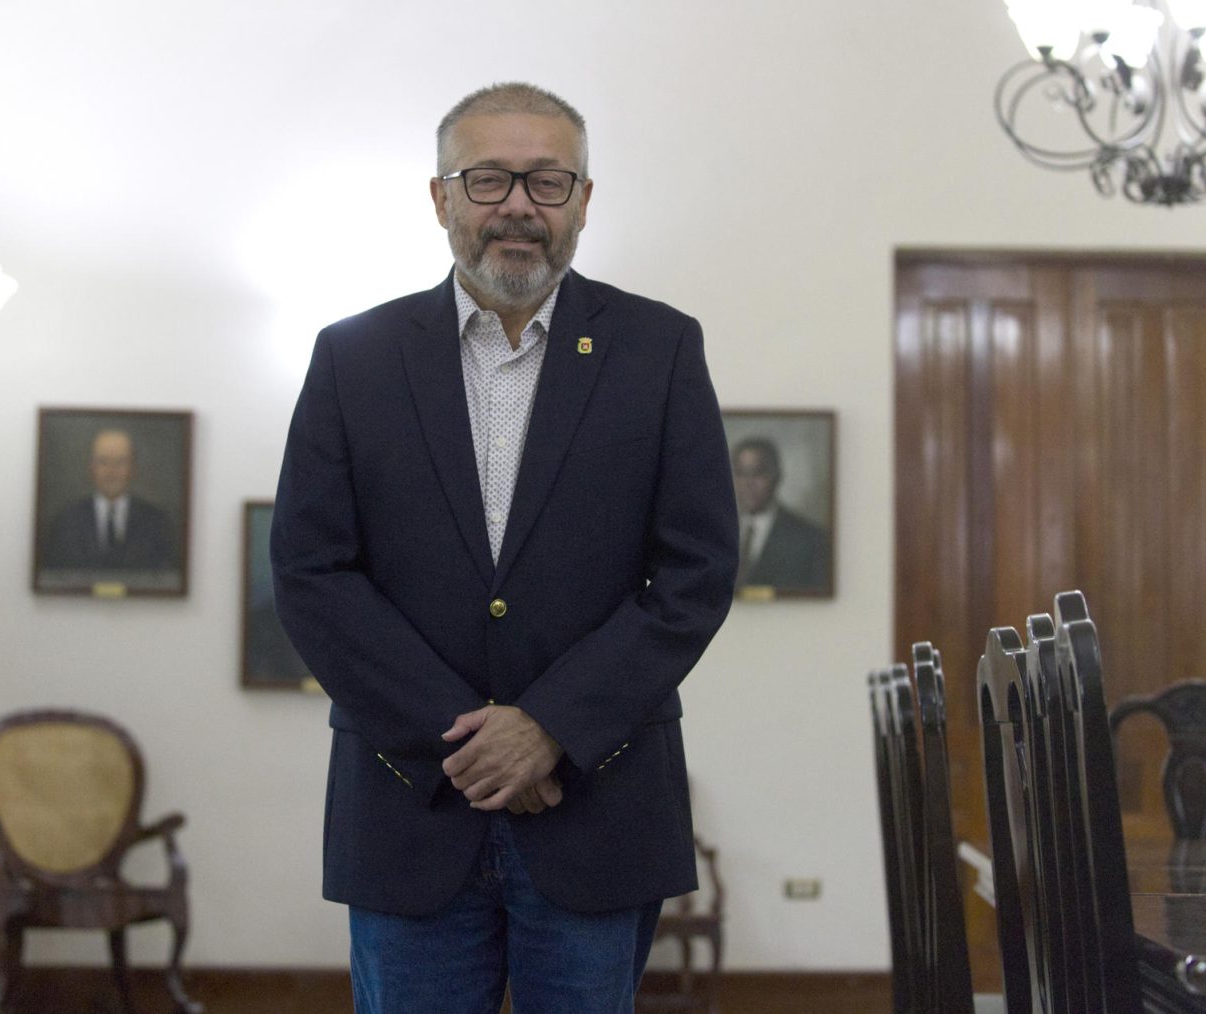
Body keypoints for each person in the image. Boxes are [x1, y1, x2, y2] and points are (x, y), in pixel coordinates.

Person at [271, 83, 737, 1013]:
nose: (518, 205)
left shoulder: (660, 349)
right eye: (488, 180)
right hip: (409, 804)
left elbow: (695, 573)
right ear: (440, 198)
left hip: (597, 804)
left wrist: (550, 729)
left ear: (584, 202)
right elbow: (312, 572)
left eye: (547, 181)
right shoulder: (351, 358)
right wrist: (474, 745)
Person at [42, 428, 176, 572]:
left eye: (120, 462)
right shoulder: (66, 521)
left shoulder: (156, 522)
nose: (111, 471)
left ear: (133, 468)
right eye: (103, 462)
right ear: (91, 468)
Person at [731, 435, 830, 593]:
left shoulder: (811, 539)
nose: (748, 483)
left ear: (777, 475)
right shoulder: (714, 534)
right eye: (740, 473)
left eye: (758, 473)